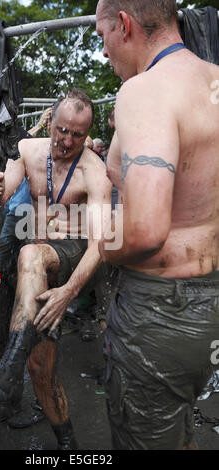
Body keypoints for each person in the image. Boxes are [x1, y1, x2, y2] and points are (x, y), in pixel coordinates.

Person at [96, 0, 219, 450]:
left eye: (103, 35)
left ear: (125, 25)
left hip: (160, 315)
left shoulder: (145, 91)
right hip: (211, 308)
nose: (105, 51)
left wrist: (101, 241)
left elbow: (146, 229)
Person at [0, 88, 113, 449]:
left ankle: (8, 367)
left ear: (87, 134)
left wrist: (69, 292)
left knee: (31, 254)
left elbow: (100, 244)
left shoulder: (94, 171)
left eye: (77, 135)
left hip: (74, 256)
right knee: (40, 371)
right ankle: (68, 446)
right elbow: (4, 191)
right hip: (33, 263)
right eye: (62, 130)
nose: (66, 141)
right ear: (51, 121)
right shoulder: (30, 151)